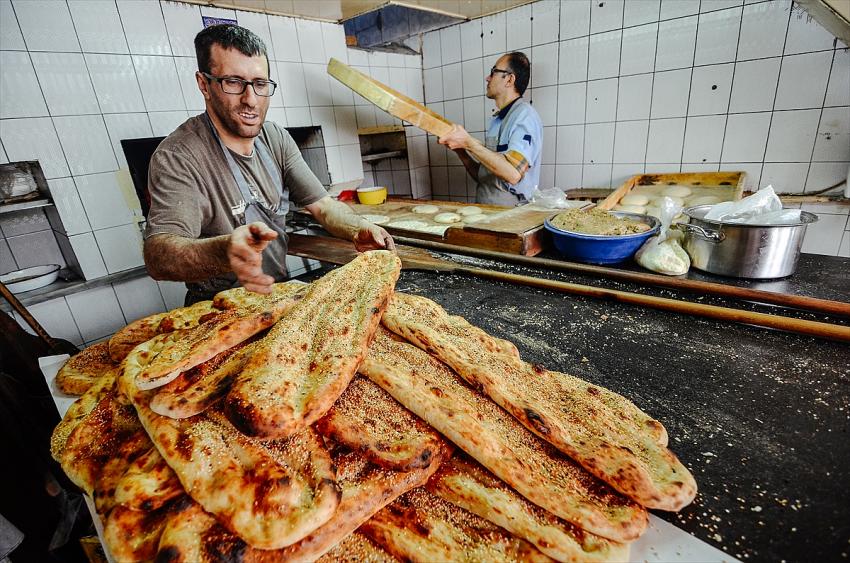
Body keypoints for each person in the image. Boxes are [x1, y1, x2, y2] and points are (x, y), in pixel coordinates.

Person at [143, 24, 394, 305]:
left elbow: (322, 206)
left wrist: (358, 228)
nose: (251, 100)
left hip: (278, 297)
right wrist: (224, 251)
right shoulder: (179, 156)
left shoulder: (274, 137)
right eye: (233, 82)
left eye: (260, 84)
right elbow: (159, 255)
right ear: (204, 84)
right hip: (216, 308)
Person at [438, 51, 542, 206]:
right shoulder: (497, 120)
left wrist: (468, 142)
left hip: (511, 217)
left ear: (509, 79)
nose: (487, 78)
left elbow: (513, 175)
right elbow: (485, 178)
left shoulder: (525, 117)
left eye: (493, 72)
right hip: (487, 212)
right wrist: (461, 151)